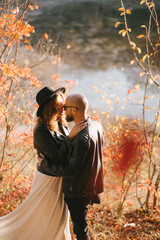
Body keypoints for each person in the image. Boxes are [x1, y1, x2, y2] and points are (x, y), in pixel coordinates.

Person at [0, 86, 85, 240]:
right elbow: (59, 157)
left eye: (62, 103)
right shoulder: (41, 131)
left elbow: (66, 153)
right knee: (42, 215)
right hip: (48, 180)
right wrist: (71, 138)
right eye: (58, 104)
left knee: (59, 215)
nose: (63, 107)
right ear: (49, 106)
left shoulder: (61, 123)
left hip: (60, 178)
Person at [38, 93, 104, 240]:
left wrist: (44, 163)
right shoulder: (96, 125)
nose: (63, 109)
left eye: (65, 107)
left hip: (77, 190)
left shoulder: (81, 138)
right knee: (79, 227)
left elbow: (70, 170)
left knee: (80, 230)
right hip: (86, 184)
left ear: (74, 110)